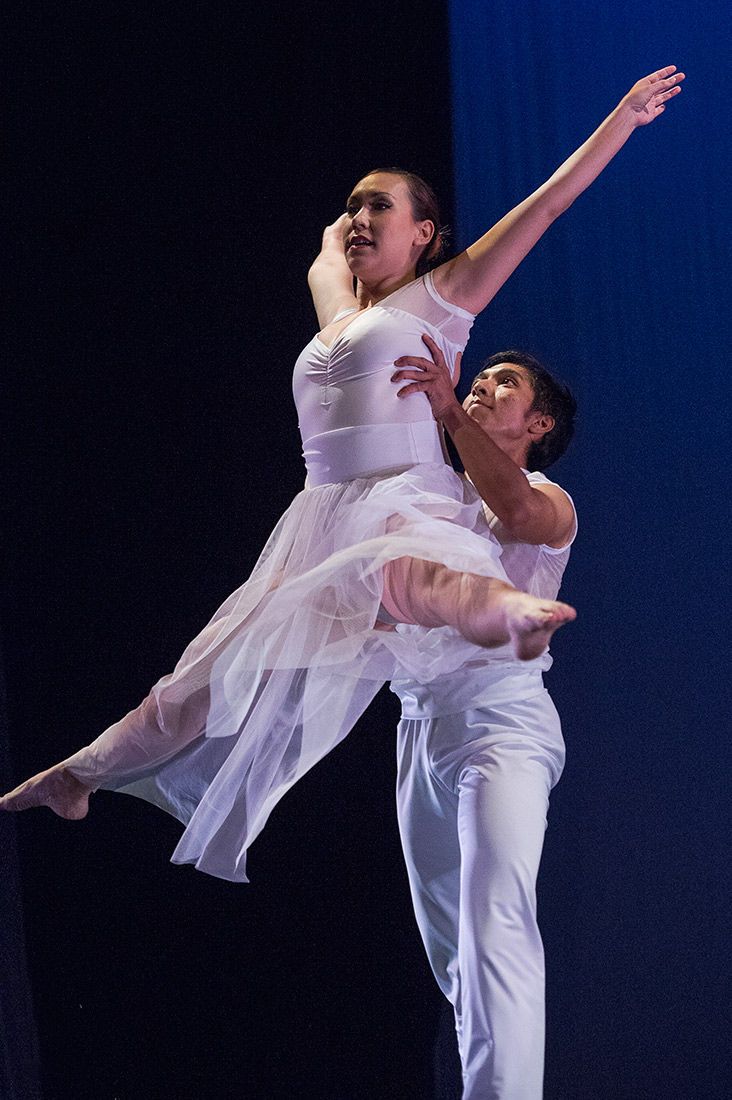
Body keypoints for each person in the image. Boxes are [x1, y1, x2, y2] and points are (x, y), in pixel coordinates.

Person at [0, 69, 683, 888]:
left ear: (427, 233)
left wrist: (620, 118)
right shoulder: (338, 313)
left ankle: (513, 615)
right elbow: (327, 250)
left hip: (400, 496)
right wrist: (352, 229)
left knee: (417, 580)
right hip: (318, 518)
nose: (359, 219)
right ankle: (79, 775)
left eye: (380, 208)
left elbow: (545, 205)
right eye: (353, 205)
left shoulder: (444, 298)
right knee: (205, 679)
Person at [391, 336, 577, 1099]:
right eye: (482, 379)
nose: (481, 387)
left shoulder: (550, 497)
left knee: (496, 920)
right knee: (458, 964)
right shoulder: (427, 500)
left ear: (537, 426)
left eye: (504, 385)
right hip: (420, 730)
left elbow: (518, 511)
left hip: (502, 726)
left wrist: (445, 408)